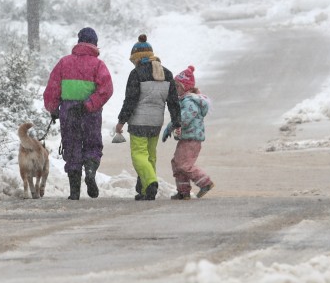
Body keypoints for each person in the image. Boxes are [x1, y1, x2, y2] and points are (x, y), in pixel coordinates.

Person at [43, 27, 114, 200]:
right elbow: (106, 89)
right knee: (92, 145)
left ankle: (74, 192)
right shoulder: (98, 65)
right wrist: (89, 104)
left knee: (72, 148)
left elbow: (53, 88)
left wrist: (53, 109)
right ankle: (90, 171)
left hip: (69, 112)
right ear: (95, 44)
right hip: (91, 113)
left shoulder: (64, 63)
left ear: (79, 42)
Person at [115, 34, 181, 200]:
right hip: (155, 123)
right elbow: (173, 101)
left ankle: (151, 182)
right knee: (151, 155)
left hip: (139, 122)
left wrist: (121, 121)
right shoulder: (166, 73)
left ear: (137, 58)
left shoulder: (136, 73)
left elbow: (130, 100)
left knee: (138, 155)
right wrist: (176, 121)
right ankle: (145, 191)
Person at [164, 65, 214, 200]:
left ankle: (205, 182)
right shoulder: (185, 100)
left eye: (178, 86)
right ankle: (183, 191)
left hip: (192, 139)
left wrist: (170, 126)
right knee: (177, 163)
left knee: (184, 165)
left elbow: (184, 118)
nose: (175, 89)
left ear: (186, 87)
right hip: (186, 138)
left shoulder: (190, 102)